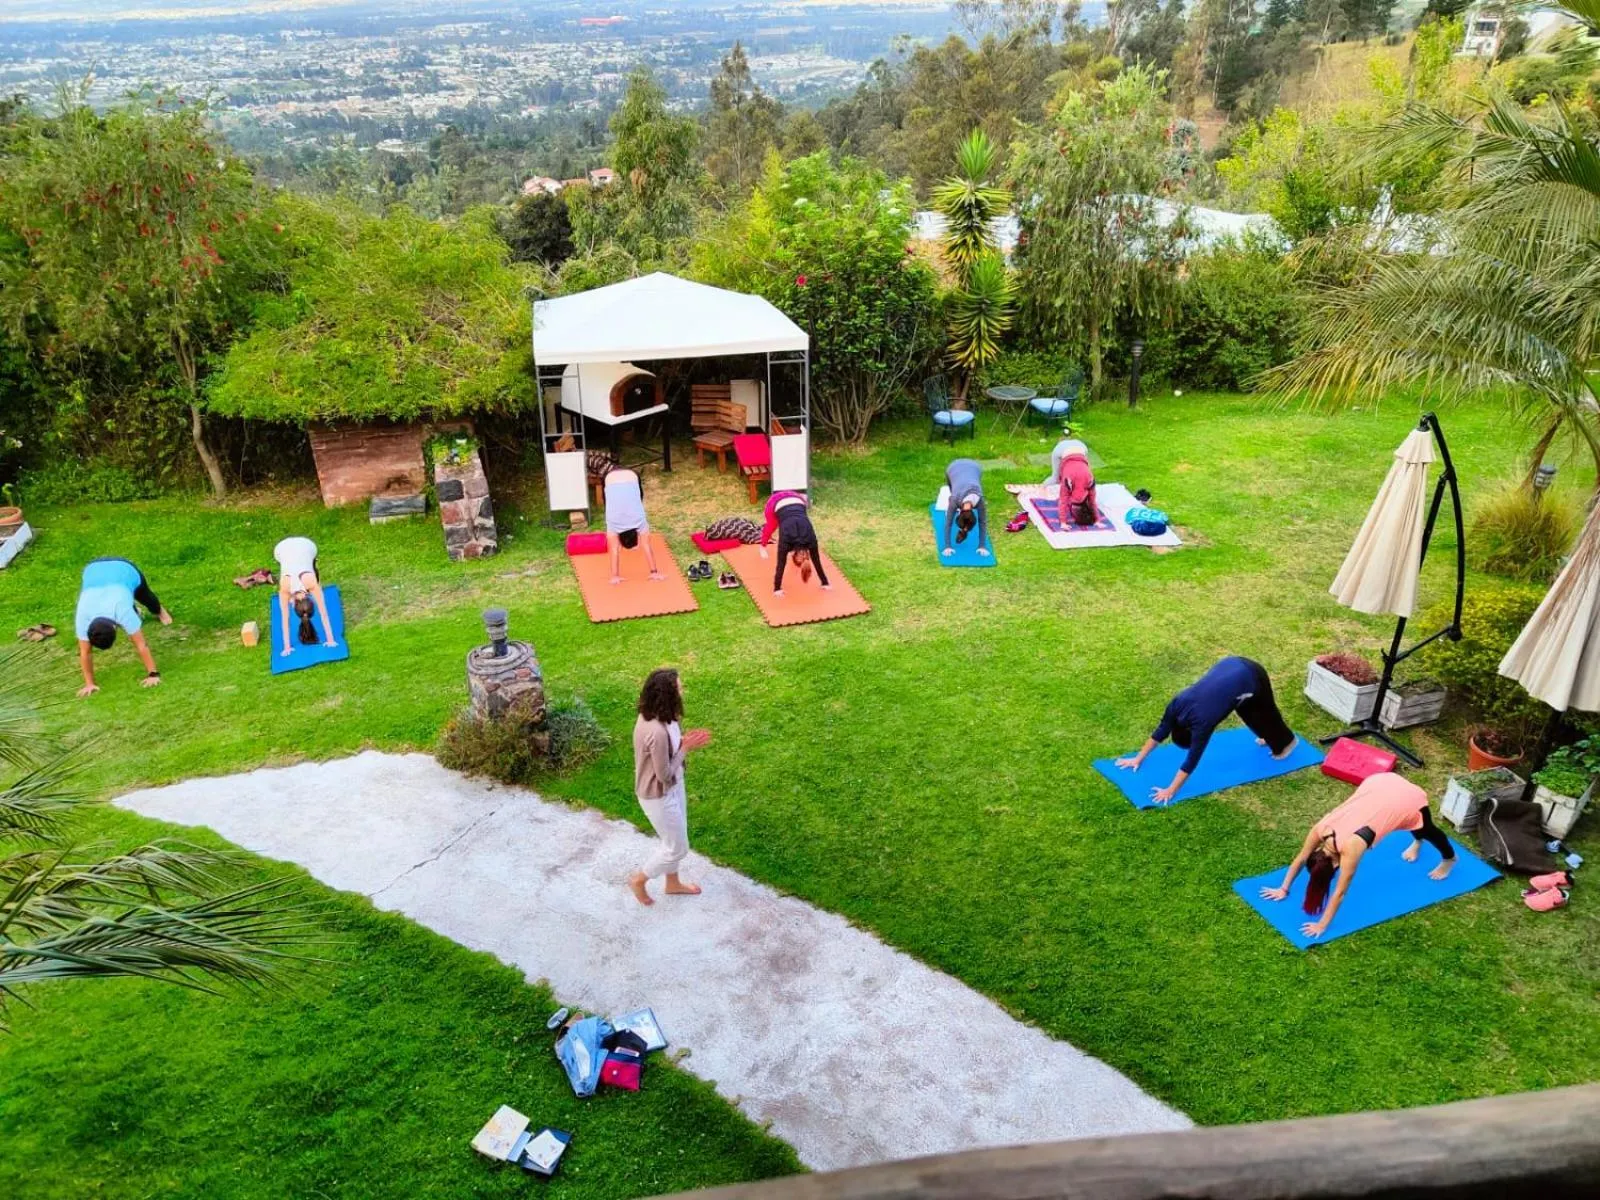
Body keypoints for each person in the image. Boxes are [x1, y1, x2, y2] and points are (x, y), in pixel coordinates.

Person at [1260, 772, 1457, 940]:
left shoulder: (1351, 847)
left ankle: (1449, 859)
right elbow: (1301, 858)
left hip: (1402, 798)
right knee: (1412, 823)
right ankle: (1417, 841)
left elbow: (1340, 892)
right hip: (1379, 783)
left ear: (1335, 864)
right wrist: (1283, 888)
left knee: (1425, 827)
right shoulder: (1321, 829)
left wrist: (1322, 925)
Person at [1115, 656, 1297, 804]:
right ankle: (1268, 735)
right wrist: (1137, 759)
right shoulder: (1177, 704)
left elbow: (1191, 761)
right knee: (1246, 710)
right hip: (1230, 665)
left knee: (1261, 710)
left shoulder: (1202, 724)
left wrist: (1171, 790)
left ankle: (1286, 744)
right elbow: (1161, 731)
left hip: (1251, 675)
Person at [628, 668, 712, 906]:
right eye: (679, 687)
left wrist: (684, 743)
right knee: (678, 848)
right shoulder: (655, 730)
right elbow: (663, 775)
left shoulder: (666, 715)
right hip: (658, 795)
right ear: (667, 694)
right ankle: (639, 880)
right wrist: (686, 748)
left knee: (673, 840)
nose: (683, 690)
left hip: (675, 786)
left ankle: (672, 883)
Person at [74, 557, 172, 698]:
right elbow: (85, 652)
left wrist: (153, 674)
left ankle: (160, 611)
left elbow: (141, 645)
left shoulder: (122, 611)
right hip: (93, 569)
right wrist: (89, 684)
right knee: (127, 607)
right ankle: (135, 611)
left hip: (123, 569)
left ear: (116, 627)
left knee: (145, 596)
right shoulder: (82, 617)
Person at [273, 535, 339, 657]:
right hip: (292, 547)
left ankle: (311, 564)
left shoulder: (286, 588)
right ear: (293, 604)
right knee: (303, 569)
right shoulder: (304, 585)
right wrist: (330, 640)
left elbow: (285, 619)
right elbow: (323, 613)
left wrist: (287, 648)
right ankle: (311, 565)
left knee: (301, 567)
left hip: (299, 546)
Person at [758, 489, 832, 598]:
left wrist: (825, 583)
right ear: (793, 554)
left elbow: (815, 562)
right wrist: (776, 589)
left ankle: (763, 545)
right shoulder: (786, 542)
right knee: (772, 525)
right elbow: (781, 565)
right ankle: (762, 546)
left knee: (794, 518)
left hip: (798, 499)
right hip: (776, 500)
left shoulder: (810, 541)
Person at [604, 467, 664, 585]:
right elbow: (615, 549)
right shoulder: (612, 524)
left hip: (630, 476)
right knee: (613, 499)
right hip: (610, 478)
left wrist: (654, 572)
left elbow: (644, 545)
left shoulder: (640, 522)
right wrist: (614, 576)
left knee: (636, 498)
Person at [943, 457, 991, 558]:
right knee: (952, 491)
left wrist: (982, 546)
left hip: (975, 468)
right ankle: (951, 510)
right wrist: (947, 546)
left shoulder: (980, 501)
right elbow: (948, 524)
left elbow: (983, 523)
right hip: (953, 467)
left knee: (966, 485)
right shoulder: (955, 500)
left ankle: (951, 510)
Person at [1048, 437, 1099, 527]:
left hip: (1081, 446)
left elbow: (1092, 502)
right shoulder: (1069, 482)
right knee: (1054, 478)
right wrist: (1063, 522)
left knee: (1058, 477)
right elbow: (1063, 501)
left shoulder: (1090, 482)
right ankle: (1041, 489)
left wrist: (1097, 519)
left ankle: (1042, 487)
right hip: (1062, 449)